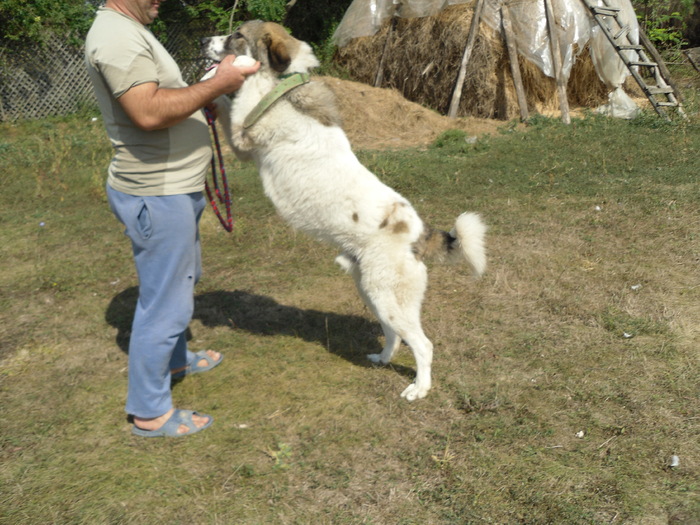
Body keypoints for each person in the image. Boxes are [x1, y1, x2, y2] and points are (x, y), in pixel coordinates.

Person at [85, 0, 259, 437]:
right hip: (156, 193)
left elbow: (165, 98)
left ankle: (177, 358)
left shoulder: (129, 27)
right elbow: (147, 112)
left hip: (174, 187)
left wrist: (202, 104)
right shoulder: (116, 38)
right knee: (164, 304)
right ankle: (150, 412)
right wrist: (218, 84)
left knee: (182, 280)